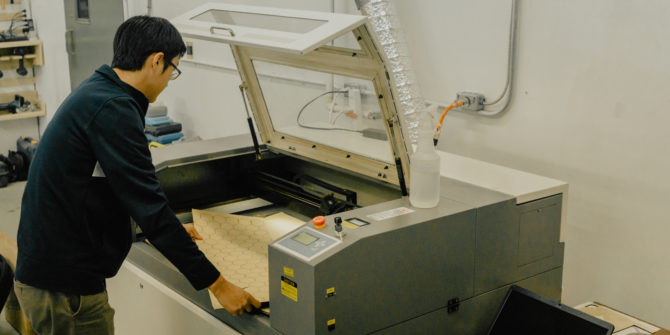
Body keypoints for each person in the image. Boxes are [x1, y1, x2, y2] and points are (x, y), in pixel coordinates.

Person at [13, 16, 260, 335]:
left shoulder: (99, 92)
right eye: (174, 68)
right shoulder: (114, 108)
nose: (171, 77)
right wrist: (220, 285)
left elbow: (117, 189)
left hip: (51, 272)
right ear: (157, 61)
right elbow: (149, 205)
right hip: (64, 289)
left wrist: (167, 228)